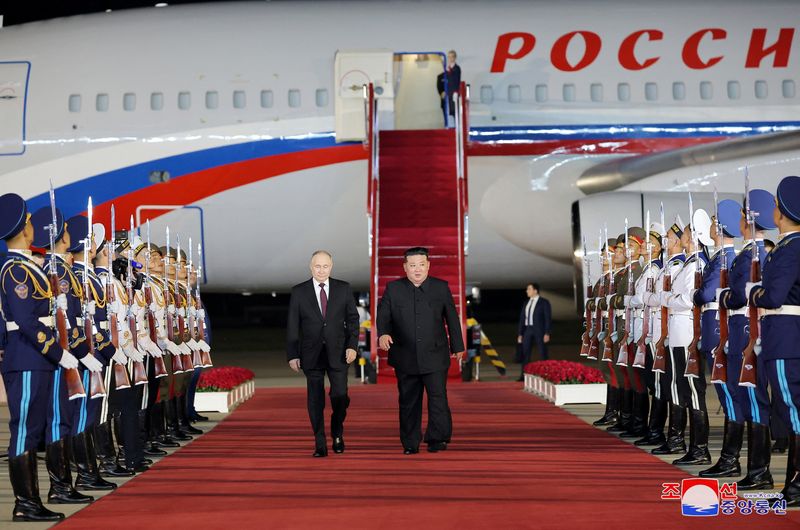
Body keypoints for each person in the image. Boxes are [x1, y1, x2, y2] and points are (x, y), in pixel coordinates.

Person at [0, 194, 67, 521]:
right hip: (26, 356)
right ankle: (25, 504)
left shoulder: (29, 266)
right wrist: (57, 351)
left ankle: (33, 501)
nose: (32, 226)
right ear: (22, 228)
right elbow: (26, 320)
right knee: (25, 429)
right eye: (29, 221)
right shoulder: (14, 270)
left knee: (35, 427)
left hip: (38, 358)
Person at [377, 247, 465, 454]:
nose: (417, 269)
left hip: (435, 354)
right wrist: (383, 333)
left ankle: (437, 438)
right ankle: (410, 442)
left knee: (438, 398)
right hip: (404, 355)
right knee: (408, 401)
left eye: (421, 265)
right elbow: (383, 316)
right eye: (413, 265)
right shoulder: (394, 289)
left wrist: (458, 346)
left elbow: (452, 318)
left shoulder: (440, 288)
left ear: (428, 266)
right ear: (405, 267)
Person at [719, 189, 776, 491]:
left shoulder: (754, 255)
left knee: (754, 398)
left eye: (742, 216)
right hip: (745, 326)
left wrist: (724, 296)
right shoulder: (751, 254)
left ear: (748, 220)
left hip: (748, 328)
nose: (739, 221)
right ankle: (750, 466)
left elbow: (740, 294)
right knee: (746, 395)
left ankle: (759, 470)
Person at [751, 175, 800, 505]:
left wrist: (754, 293)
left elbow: (773, 297)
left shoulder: (790, 249)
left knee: (793, 411)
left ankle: (795, 485)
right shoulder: (787, 247)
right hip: (784, 336)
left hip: (785, 337)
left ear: (781, 212)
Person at [286, 250, 359, 457]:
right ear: (311, 267)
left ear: (331, 266)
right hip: (311, 354)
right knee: (315, 400)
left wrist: (352, 346)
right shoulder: (299, 292)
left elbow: (353, 320)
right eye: (317, 266)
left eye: (325, 266)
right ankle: (320, 442)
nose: (321, 270)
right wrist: (292, 354)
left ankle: (337, 431)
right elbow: (293, 326)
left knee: (340, 396)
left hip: (339, 353)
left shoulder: (343, 289)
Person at [516, 283, 552, 381]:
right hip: (528, 330)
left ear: (535, 291)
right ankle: (523, 376)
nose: (527, 291)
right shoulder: (526, 303)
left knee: (542, 352)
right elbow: (522, 319)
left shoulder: (544, 302)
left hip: (539, 330)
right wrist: (520, 333)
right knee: (525, 353)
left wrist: (547, 333)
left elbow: (547, 318)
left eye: (529, 289)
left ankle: (546, 374)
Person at [436, 50, 461, 127]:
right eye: (449, 57)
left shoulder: (456, 68)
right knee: (447, 112)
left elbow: (456, 81)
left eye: (452, 56)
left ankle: (457, 128)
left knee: (454, 113)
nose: (450, 58)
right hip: (448, 95)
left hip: (453, 94)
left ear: (455, 57)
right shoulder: (447, 69)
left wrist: (455, 92)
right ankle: (448, 127)